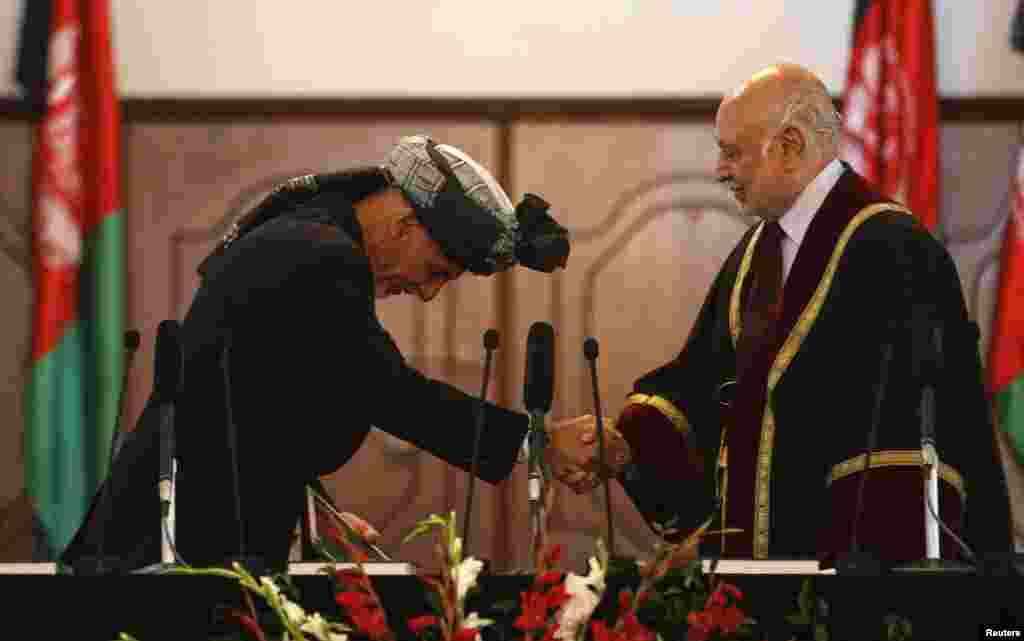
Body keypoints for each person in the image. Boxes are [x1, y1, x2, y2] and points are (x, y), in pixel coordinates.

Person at [61, 135, 630, 573]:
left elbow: (258, 409)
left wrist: (315, 510)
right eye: (436, 272)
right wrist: (536, 441)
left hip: (184, 539)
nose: (428, 291)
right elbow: (384, 389)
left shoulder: (307, 236)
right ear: (407, 222)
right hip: (170, 556)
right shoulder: (321, 255)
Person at [585, 63, 1013, 567]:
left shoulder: (894, 251)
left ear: (788, 146)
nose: (721, 170)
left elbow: (898, 440)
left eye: (732, 152)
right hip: (761, 582)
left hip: (857, 588)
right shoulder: (758, 253)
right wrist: (625, 443)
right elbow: (702, 381)